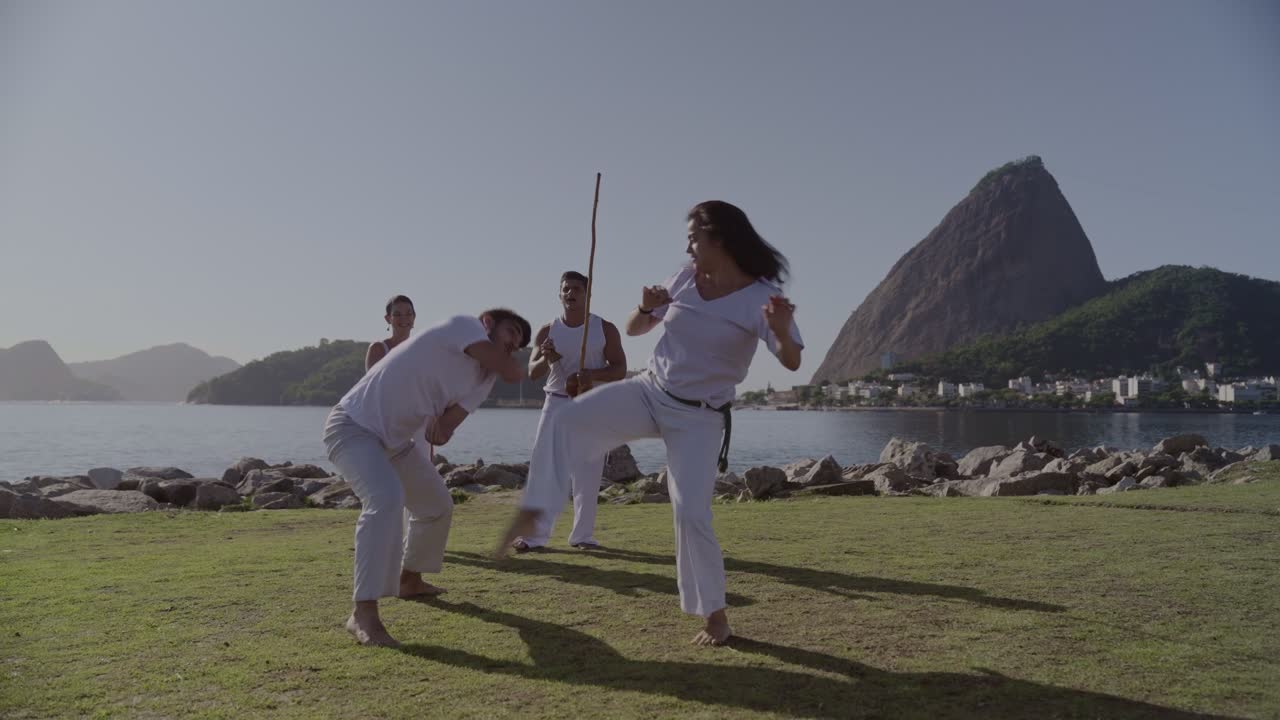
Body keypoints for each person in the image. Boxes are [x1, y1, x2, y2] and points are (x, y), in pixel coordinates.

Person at [498, 201, 803, 647]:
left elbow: (792, 362)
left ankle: (715, 617)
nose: (687, 245)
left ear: (720, 239)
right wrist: (644, 308)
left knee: (691, 513)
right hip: (649, 391)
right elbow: (636, 328)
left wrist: (780, 326)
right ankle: (534, 521)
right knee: (568, 420)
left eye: (694, 237)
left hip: (698, 418)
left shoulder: (759, 298)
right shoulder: (683, 277)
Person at [324, 309, 531, 647]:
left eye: (518, 344)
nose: (512, 345)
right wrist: (513, 365)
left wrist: (440, 430)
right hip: (351, 426)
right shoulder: (462, 325)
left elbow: (445, 429)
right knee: (386, 499)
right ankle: (363, 613)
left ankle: (409, 579)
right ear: (488, 323)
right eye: (510, 334)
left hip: (395, 443)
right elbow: (512, 370)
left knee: (436, 505)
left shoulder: (484, 378)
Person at [512, 271, 627, 552]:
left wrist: (593, 374)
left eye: (576, 288)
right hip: (556, 402)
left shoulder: (605, 329)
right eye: (566, 289)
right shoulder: (548, 330)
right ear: (559, 294)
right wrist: (549, 360)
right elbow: (532, 371)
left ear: (587, 294)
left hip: (591, 403)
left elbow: (620, 369)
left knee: (588, 471)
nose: (570, 293)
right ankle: (533, 536)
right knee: (544, 469)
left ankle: (583, 536)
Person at [365, 295, 416, 371]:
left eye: (408, 314)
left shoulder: (420, 349)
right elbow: (375, 382)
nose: (403, 318)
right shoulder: (378, 349)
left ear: (414, 317)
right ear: (388, 319)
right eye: (397, 314)